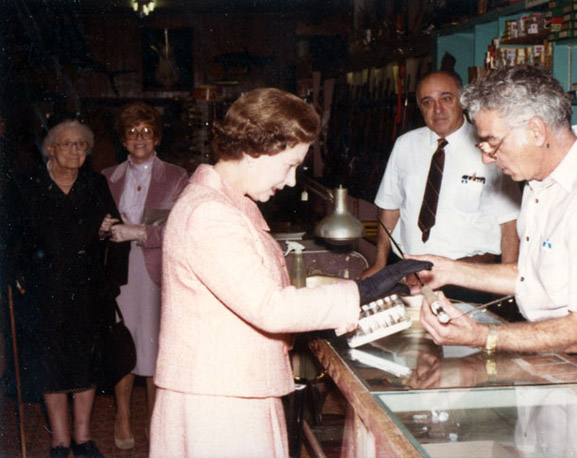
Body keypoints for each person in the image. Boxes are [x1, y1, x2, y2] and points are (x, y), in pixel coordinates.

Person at [150, 87, 431, 456]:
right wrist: (361, 292)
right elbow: (270, 307)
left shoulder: (226, 205)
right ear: (255, 150)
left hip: (234, 388)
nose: (292, 181)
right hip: (220, 402)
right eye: (289, 165)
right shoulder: (210, 214)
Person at [412, 65, 577, 393]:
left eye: (492, 143)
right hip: (546, 353)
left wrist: (484, 337)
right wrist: (449, 270)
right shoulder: (543, 178)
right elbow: (533, 276)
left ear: (537, 131)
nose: (487, 159)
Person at [7, 119, 128, 457]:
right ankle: (60, 441)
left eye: (80, 145)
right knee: (51, 364)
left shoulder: (94, 183)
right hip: (42, 290)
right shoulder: (26, 185)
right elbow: (8, 236)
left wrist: (112, 279)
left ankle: (83, 438)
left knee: (84, 364)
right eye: (67, 144)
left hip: (87, 289)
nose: (75, 150)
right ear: (51, 148)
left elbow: (115, 230)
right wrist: (13, 272)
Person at [363, 70, 521, 303]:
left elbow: (509, 224)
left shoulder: (490, 148)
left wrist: (505, 286)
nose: (437, 109)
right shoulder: (406, 145)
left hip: (469, 279)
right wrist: (380, 262)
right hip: (410, 276)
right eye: (428, 102)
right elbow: (390, 207)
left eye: (446, 99)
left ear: (462, 101)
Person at [101, 101, 188, 450]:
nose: (140, 138)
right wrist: (104, 228)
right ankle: (122, 416)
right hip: (118, 273)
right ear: (123, 140)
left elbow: (180, 231)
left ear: (158, 138)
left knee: (154, 348)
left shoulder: (177, 176)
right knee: (122, 344)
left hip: (156, 271)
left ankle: (156, 421)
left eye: (147, 131)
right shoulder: (106, 177)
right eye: (132, 132)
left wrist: (139, 233)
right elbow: (97, 228)